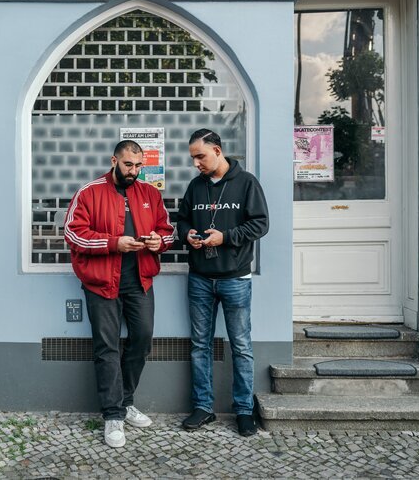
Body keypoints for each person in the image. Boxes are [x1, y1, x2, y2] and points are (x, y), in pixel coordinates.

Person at [64, 140, 175, 448]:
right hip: (101, 284)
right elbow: (73, 234)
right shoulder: (89, 192)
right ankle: (113, 414)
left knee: (142, 339)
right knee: (107, 348)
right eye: (129, 164)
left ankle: (125, 402)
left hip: (140, 282)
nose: (134, 171)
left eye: (140, 166)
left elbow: (168, 231)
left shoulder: (150, 194)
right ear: (114, 160)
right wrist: (114, 243)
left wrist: (158, 242)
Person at [176, 129, 269, 437]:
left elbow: (260, 223)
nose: (196, 163)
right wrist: (187, 235)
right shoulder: (195, 186)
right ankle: (203, 407)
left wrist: (226, 237)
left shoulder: (246, 183)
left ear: (217, 150)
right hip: (200, 278)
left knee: (241, 347)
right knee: (199, 346)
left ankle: (244, 411)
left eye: (200, 156)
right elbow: (183, 219)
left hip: (235, 279)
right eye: (192, 157)